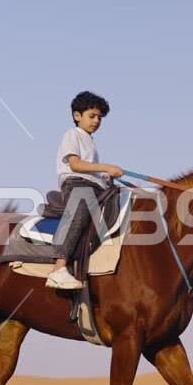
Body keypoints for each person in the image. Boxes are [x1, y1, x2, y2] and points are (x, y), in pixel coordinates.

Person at [46, 91, 123, 289]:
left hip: (91, 183)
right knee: (82, 208)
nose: (96, 121)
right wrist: (105, 167)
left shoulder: (90, 141)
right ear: (77, 116)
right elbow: (76, 165)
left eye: (99, 117)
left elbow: (89, 169)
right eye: (92, 116)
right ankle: (59, 267)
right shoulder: (72, 135)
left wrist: (103, 177)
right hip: (76, 184)